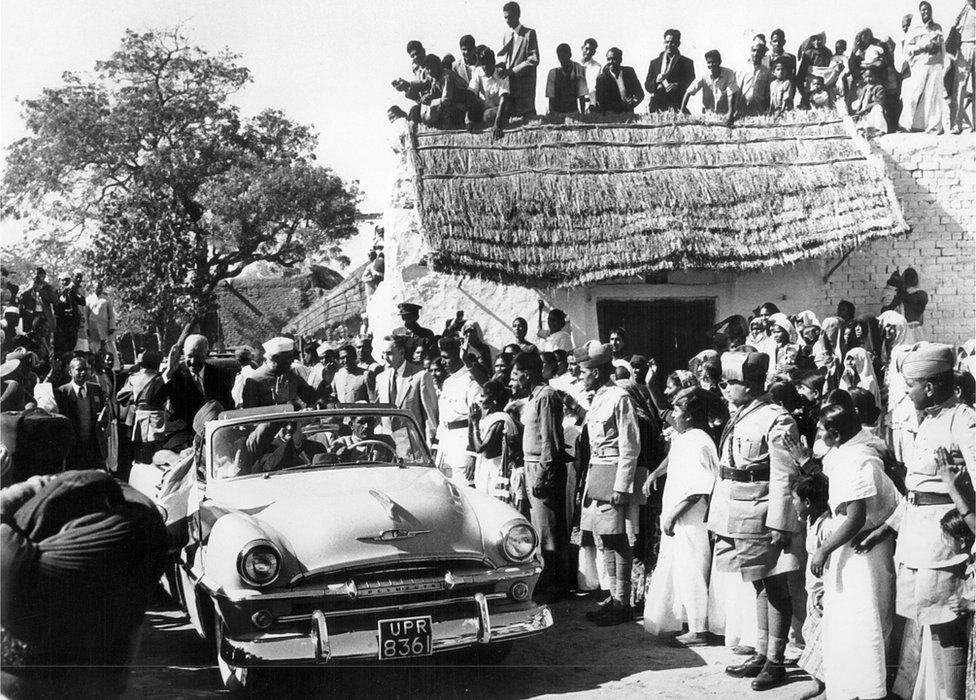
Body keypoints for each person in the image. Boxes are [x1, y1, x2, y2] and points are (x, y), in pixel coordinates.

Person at [856, 342, 975, 700]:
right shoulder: (931, 420)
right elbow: (915, 492)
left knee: (947, 628)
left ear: (929, 386)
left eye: (910, 386)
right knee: (930, 624)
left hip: (944, 540)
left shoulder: (964, 419)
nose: (905, 394)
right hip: (918, 536)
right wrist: (885, 528)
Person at [710, 351, 802, 692]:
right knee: (758, 582)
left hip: (761, 510)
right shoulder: (743, 414)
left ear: (748, 386)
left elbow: (783, 475)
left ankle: (776, 661)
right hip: (737, 509)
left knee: (775, 583)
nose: (725, 389)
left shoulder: (776, 419)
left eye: (730, 383)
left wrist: (781, 522)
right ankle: (762, 652)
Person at [813, 403, 899, 700]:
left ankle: (867, 688)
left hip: (860, 550)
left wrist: (823, 549)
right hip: (855, 547)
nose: (818, 433)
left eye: (822, 429)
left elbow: (856, 517)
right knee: (847, 618)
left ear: (835, 434)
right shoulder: (850, 454)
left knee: (862, 618)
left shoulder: (855, 461)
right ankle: (845, 687)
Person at [643, 387, 717, 645]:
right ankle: (687, 622)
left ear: (690, 416)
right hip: (678, 517)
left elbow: (699, 488)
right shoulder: (684, 437)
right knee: (680, 570)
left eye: (677, 409)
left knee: (692, 569)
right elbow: (672, 458)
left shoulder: (698, 440)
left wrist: (674, 515)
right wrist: (654, 474)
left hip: (690, 519)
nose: (672, 414)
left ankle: (699, 629)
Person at [576, 342, 640, 625]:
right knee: (605, 537)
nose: (581, 376)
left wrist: (622, 486)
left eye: (584, 371)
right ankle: (613, 596)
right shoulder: (598, 397)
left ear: (599, 371)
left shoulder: (619, 397)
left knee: (617, 538)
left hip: (613, 473)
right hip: (597, 472)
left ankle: (623, 602)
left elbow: (630, 444)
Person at [512, 350, 569, 600]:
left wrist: (543, 475)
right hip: (531, 466)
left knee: (549, 531)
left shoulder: (547, 396)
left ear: (528, 373)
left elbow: (551, 442)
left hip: (542, 469)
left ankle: (556, 584)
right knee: (539, 529)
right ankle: (547, 580)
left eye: (517, 374)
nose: (514, 379)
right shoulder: (533, 397)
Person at [792, 473, 831, 697]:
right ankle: (817, 682)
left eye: (795, 499)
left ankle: (827, 686)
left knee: (823, 640)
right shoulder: (810, 520)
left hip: (822, 594)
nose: (793, 503)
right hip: (812, 590)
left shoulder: (827, 526)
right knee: (810, 634)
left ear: (807, 503)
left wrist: (823, 595)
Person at [161, 334, 233, 446]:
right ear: (184, 353)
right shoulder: (174, 375)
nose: (193, 361)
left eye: (198, 357)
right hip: (184, 438)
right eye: (189, 356)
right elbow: (154, 399)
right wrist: (169, 371)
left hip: (216, 436)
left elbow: (228, 406)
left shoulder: (220, 375)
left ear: (207, 354)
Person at [435, 336, 483, 487]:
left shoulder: (472, 383)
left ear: (458, 357)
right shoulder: (448, 382)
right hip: (445, 449)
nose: (442, 362)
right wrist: (436, 448)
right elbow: (443, 420)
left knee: (464, 495)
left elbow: (478, 421)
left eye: (446, 358)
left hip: (462, 450)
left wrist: (472, 454)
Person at [375, 334, 439, 446]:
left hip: (413, 446)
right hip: (387, 446)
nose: (385, 358)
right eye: (383, 353)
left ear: (401, 352)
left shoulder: (420, 376)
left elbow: (430, 417)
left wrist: (430, 446)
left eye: (389, 353)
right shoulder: (381, 378)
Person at [468, 380, 521, 500]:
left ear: (494, 400)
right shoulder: (488, 418)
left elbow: (481, 448)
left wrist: (475, 423)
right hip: (485, 471)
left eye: (484, 395)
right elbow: (472, 444)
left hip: (497, 471)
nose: (480, 399)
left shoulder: (500, 420)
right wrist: (470, 422)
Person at [53, 356, 107, 470]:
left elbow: (103, 412)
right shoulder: (62, 392)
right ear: (70, 372)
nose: (83, 372)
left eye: (86, 369)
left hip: (93, 446)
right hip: (73, 448)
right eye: (79, 369)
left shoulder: (95, 389)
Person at [900, 1, 946, 133]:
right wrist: (923, 47)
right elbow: (907, 50)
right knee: (913, 94)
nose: (926, 12)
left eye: (928, 9)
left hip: (935, 64)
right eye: (923, 10)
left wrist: (942, 62)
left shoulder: (937, 27)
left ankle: (934, 126)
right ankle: (905, 124)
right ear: (919, 12)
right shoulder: (915, 30)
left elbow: (942, 47)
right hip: (920, 64)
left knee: (934, 96)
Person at [117, 349, 166, 465]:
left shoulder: (134, 378)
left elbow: (120, 397)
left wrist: (135, 398)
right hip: (159, 420)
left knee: (142, 455)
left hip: (140, 419)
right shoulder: (162, 378)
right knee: (159, 454)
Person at [242, 337, 319, 410]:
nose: (292, 361)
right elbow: (250, 417)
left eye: (292, 357)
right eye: (288, 357)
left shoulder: (291, 375)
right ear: (273, 358)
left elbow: (311, 398)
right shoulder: (254, 380)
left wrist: (325, 383)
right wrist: (280, 404)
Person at [496, 1, 539, 119]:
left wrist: (513, 70)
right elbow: (505, 60)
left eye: (510, 17)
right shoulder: (506, 35)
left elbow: (534, 60)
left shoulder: (529, 34)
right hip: (510, 89)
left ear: (518, 15)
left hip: (524, 89)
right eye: (505, 17)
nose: (507, 20)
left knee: (527, 120)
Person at [645, 29, 696, 113]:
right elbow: (647, 85)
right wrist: (656, 81)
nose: (669, 45)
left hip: (677, 106)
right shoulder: (654, 63)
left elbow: (690, 84)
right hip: (656, 108)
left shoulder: (687, 63)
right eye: (666, 42)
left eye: (672, 42)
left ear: (678, 44)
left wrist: (677, 85)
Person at [682, 50, 739, 124]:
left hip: (724, 115)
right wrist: (682, 110)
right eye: (709, 62)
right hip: (708, 115)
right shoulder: (704, 75)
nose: (711, 65)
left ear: (720, 62)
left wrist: (730, 113)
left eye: (714, 62)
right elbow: (689, 91)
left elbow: (731, 93)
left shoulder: (729, 73)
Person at [469, 45, 512, 137]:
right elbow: (471, 93)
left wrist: (497, 124)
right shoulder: (478, 72)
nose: (485, 67)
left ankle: (499, 121)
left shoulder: (501, 74)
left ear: (493, 62)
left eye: (487, 64)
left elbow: (503, 101)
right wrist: (469, 118)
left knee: (487, 115)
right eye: (482, 64)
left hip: (498, 109)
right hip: (484, 107)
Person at [948, 0, 976, 133]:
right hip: (965, 47)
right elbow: (954, 34)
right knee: (960, 86)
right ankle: (956, 125)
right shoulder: (963, 12)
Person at [884, 267, 929, 343]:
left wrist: (902, 293)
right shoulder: (902, 294)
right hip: (906, 330)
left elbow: (919, 309)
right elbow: (887, 310)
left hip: (916, 330)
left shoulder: (920, 294)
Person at [595, 47, 645, 113]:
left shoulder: (629, 72)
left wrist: (633, 101)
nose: (611, 62)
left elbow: (640, 93)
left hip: (629, 114)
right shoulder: (601, 79)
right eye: (608, 59)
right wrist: (623, 105)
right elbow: (602, 101)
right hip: (611, 116)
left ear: (620, 59)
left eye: (614, 59)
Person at [545, 43, 587, 114]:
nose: (562, 59)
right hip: (557, 111)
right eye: (559, 56)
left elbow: (582, 95)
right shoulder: (553, 72)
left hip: (573, 111)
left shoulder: (578, 69)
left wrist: (582, 114)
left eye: (564, 56)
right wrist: (552, 114)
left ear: (570, 55)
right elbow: (551, 97)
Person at [15, 268, 56, 340]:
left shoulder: (48, 287)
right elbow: (19, 299)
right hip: (30, 315)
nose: (38, 278)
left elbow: (54, 300)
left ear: (44, 276)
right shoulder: (28, 286)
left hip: (44, 315)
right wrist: (30, 288)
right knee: (29, 337)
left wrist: (40, 291)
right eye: (36, 276)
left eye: (40, 276)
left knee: (44, 337)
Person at [52, 272, 85, 356]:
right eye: (63, 280)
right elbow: (56, 307)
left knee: (71, 346)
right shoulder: (56, 293)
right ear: (59, 281)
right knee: (60, 347)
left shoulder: (72, 292)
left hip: (72, 324)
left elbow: (83, 302)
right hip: (61, 324)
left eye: (68, 280)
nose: (65, 282)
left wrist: (76, 292)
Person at [848, 65, 889, 135]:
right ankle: (867, 130)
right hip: (864, 115)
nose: (868, 79)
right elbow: (861, 101)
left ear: (876, 76)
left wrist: (865, 108)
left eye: (870, 76)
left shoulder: (879, 88)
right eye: (866, 77)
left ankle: (880, 129)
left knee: (878, 107)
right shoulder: (865, 88)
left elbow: (879, 101)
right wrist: (859, 111)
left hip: (872, 113)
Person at [739, 40, 772, 115]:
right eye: (754, 50)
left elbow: (767, 94)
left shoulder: (766, 72)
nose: (756, 53)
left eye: (759, 51)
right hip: (742, 109)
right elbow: (737, 90)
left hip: (758, 111)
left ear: (763, 54)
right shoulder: (742, 69)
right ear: (750, 51)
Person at [85, 283, 116, 356]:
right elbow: (86, 315)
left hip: (104, 327)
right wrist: (87, 328)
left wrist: (112, 327)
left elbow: (111, 315)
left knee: (105, 346)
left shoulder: (106, 299)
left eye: (100, 288)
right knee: (94, 347)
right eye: (97, 287)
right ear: (93, 288)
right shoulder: (88, 299)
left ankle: (107, 363)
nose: (99, 289)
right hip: (93, 327)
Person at [579, 38, 602, 110]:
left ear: (594, 52)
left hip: (590, 103)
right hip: (575, 104)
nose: (588, 52)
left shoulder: (597, 67)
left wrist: (592, 104)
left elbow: (593, 87)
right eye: (586, 49)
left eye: (591, 50)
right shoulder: (574, 65)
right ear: (582, 48)